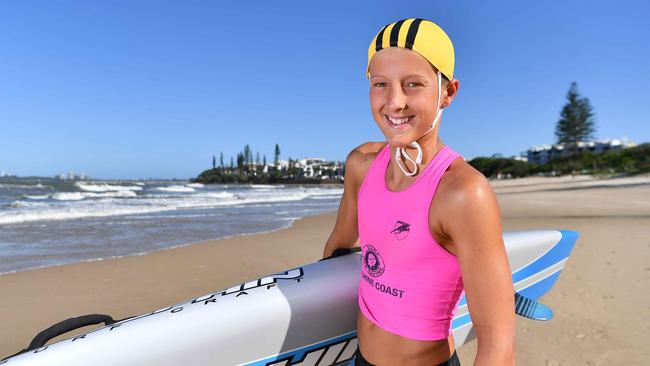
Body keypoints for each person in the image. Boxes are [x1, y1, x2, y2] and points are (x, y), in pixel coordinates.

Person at [322, 18, 515, 365]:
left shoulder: (462, 192)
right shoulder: (361, 165)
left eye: (413, 84)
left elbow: (497, 343)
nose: (395, 102)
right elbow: (337, 247)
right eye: (381, 84)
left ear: (447, 92)